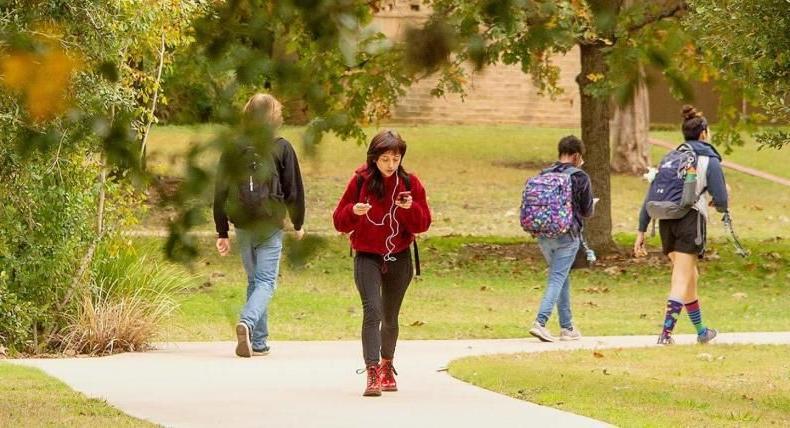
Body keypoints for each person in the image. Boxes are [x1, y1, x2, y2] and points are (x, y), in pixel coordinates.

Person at [332, 130, 431, 397]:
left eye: (395, 159)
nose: (390, 165)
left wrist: (411, 208)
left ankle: (387, 364)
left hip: (398, 255)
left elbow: (423, 224)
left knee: (390, 316)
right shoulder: (360, 182)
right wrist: (353, 211)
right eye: (385, 158)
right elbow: (339, 221)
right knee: (372, 311)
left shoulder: (410, 183)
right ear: (374, 158)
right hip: (367, 255)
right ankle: (372, 370)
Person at [213, 93, 305, 358]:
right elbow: (293, 188)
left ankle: (260, 341)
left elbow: (220, 191)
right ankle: (247, 322)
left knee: (255, 281)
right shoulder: (281, 146)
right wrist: (298, 222)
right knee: (266, 282)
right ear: (274, 116)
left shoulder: (232, 148)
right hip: (270, 224)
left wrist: (222, 231)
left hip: (243, 224)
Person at [634, 105, 727, 345]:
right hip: (690, 220)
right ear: (703, 133)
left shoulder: (671, 157)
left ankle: (701, 331)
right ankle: (665, 335)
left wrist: (641, 230)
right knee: (681, 277)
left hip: (666, 221)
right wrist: (722, 203)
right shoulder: (708, 159)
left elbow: (650, 195)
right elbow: (721, 199)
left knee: (690, 276)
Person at [525, 135, 594, 342]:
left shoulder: (544, 174)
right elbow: (587, 210)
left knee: (560, 276)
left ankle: (567, 327)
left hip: (543, 234)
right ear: (576, 156)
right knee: (557, 278)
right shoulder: (580, 177)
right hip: (567, 235)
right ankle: (541, 322)